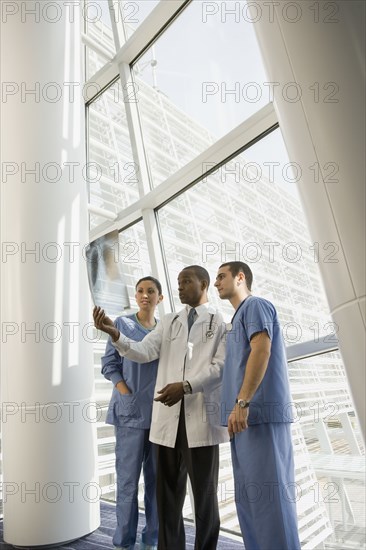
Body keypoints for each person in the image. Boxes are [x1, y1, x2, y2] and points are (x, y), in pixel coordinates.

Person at [94, 265, 229, 550]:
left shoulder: (219, 323)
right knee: (166, 496)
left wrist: (187, 386)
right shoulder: (170, 322)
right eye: (178, 282)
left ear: (203, 284)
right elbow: (143, 352)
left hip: (200, 421)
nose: (180, 287)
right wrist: (116, 335)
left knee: (204, 497)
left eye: (186, 282)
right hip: (166, 422)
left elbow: (220, 368)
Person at [215, 261, 301, 550]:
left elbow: (261, 349)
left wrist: (242, 402)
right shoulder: (237, 319)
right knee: (252, 506)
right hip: (243, 422)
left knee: (271, 504)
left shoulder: (255, 306)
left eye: (221, 277)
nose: (216, 283)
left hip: (258, 416)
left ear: (240, 277)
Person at [101, 276, 163, 550]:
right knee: (128, 481)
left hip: (160, 415)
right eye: (140, 291)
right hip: (129, 414)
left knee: (156, 483)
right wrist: (126, 393)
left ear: (160, 298)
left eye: (151, 291)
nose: (144, 295)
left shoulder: (165, 330)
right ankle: (123, 542)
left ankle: (151, 540)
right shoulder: (122, 324)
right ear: (135, 296)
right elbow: (109, 364)